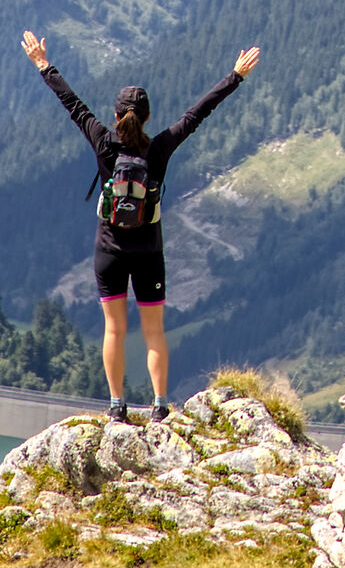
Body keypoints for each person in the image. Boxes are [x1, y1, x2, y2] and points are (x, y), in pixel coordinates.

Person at [20, 27, 260, 423]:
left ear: (116, 117)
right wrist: (235, 76)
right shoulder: (160, 147)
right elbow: (197, 113)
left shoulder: (102, 140)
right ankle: (160, 405)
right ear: (147, 117)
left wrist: (43, 64)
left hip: (109, 251)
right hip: (149, 251)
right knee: (154, 331)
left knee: (113, 330)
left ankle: (117, 408)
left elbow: (72, 103)